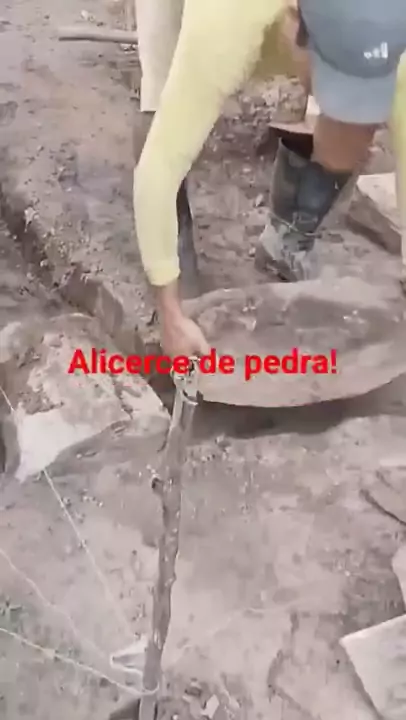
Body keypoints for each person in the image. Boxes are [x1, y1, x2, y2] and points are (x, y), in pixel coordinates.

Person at [133, 0, 406, 358]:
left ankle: (286, 239)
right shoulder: (222, 23)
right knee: (167, 112)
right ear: (295, 22)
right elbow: (160, 164)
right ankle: (176, 258)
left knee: (345, 137)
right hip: (197, 13)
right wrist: (171, 316)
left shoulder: (387, 37)